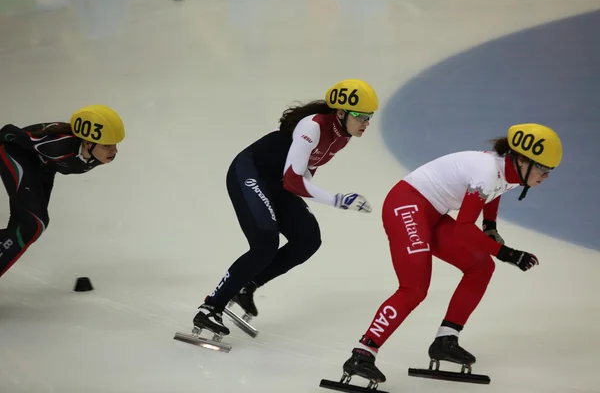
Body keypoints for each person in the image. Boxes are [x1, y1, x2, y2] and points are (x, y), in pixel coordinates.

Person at [339, 123, 562, 384]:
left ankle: (446, 339)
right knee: (414, 288)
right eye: (544, 169)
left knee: (481, 266)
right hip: (406, 205)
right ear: (523, 160)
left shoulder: (511, 171)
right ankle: (362, 354)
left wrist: (490, 227)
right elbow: (465, 228)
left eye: (551, 171)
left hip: (431, 213)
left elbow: (497, 192)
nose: (546, 176)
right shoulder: (488, 171)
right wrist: (507, 253)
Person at [193, 79, 379, 336]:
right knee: (265, 243)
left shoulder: (342, 138)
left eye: (369, 117)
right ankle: (210, 308)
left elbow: (303, 176)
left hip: (278, 183)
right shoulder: (312, 125)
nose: (366, 123)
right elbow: (293, 179)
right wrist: (338, 200)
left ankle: (247, 285)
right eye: (361, 116)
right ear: (340, 112)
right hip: (251, 172)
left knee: (308, 240)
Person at [0, 105, 125, 278]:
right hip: (16, 153)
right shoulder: (59, 144)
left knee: (27, 228)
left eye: (114, 145)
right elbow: (8, 133)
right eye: (107, 146)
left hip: (43, 166)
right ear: (88, 143)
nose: (114, 151)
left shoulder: (98, 154)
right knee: (34, 224)